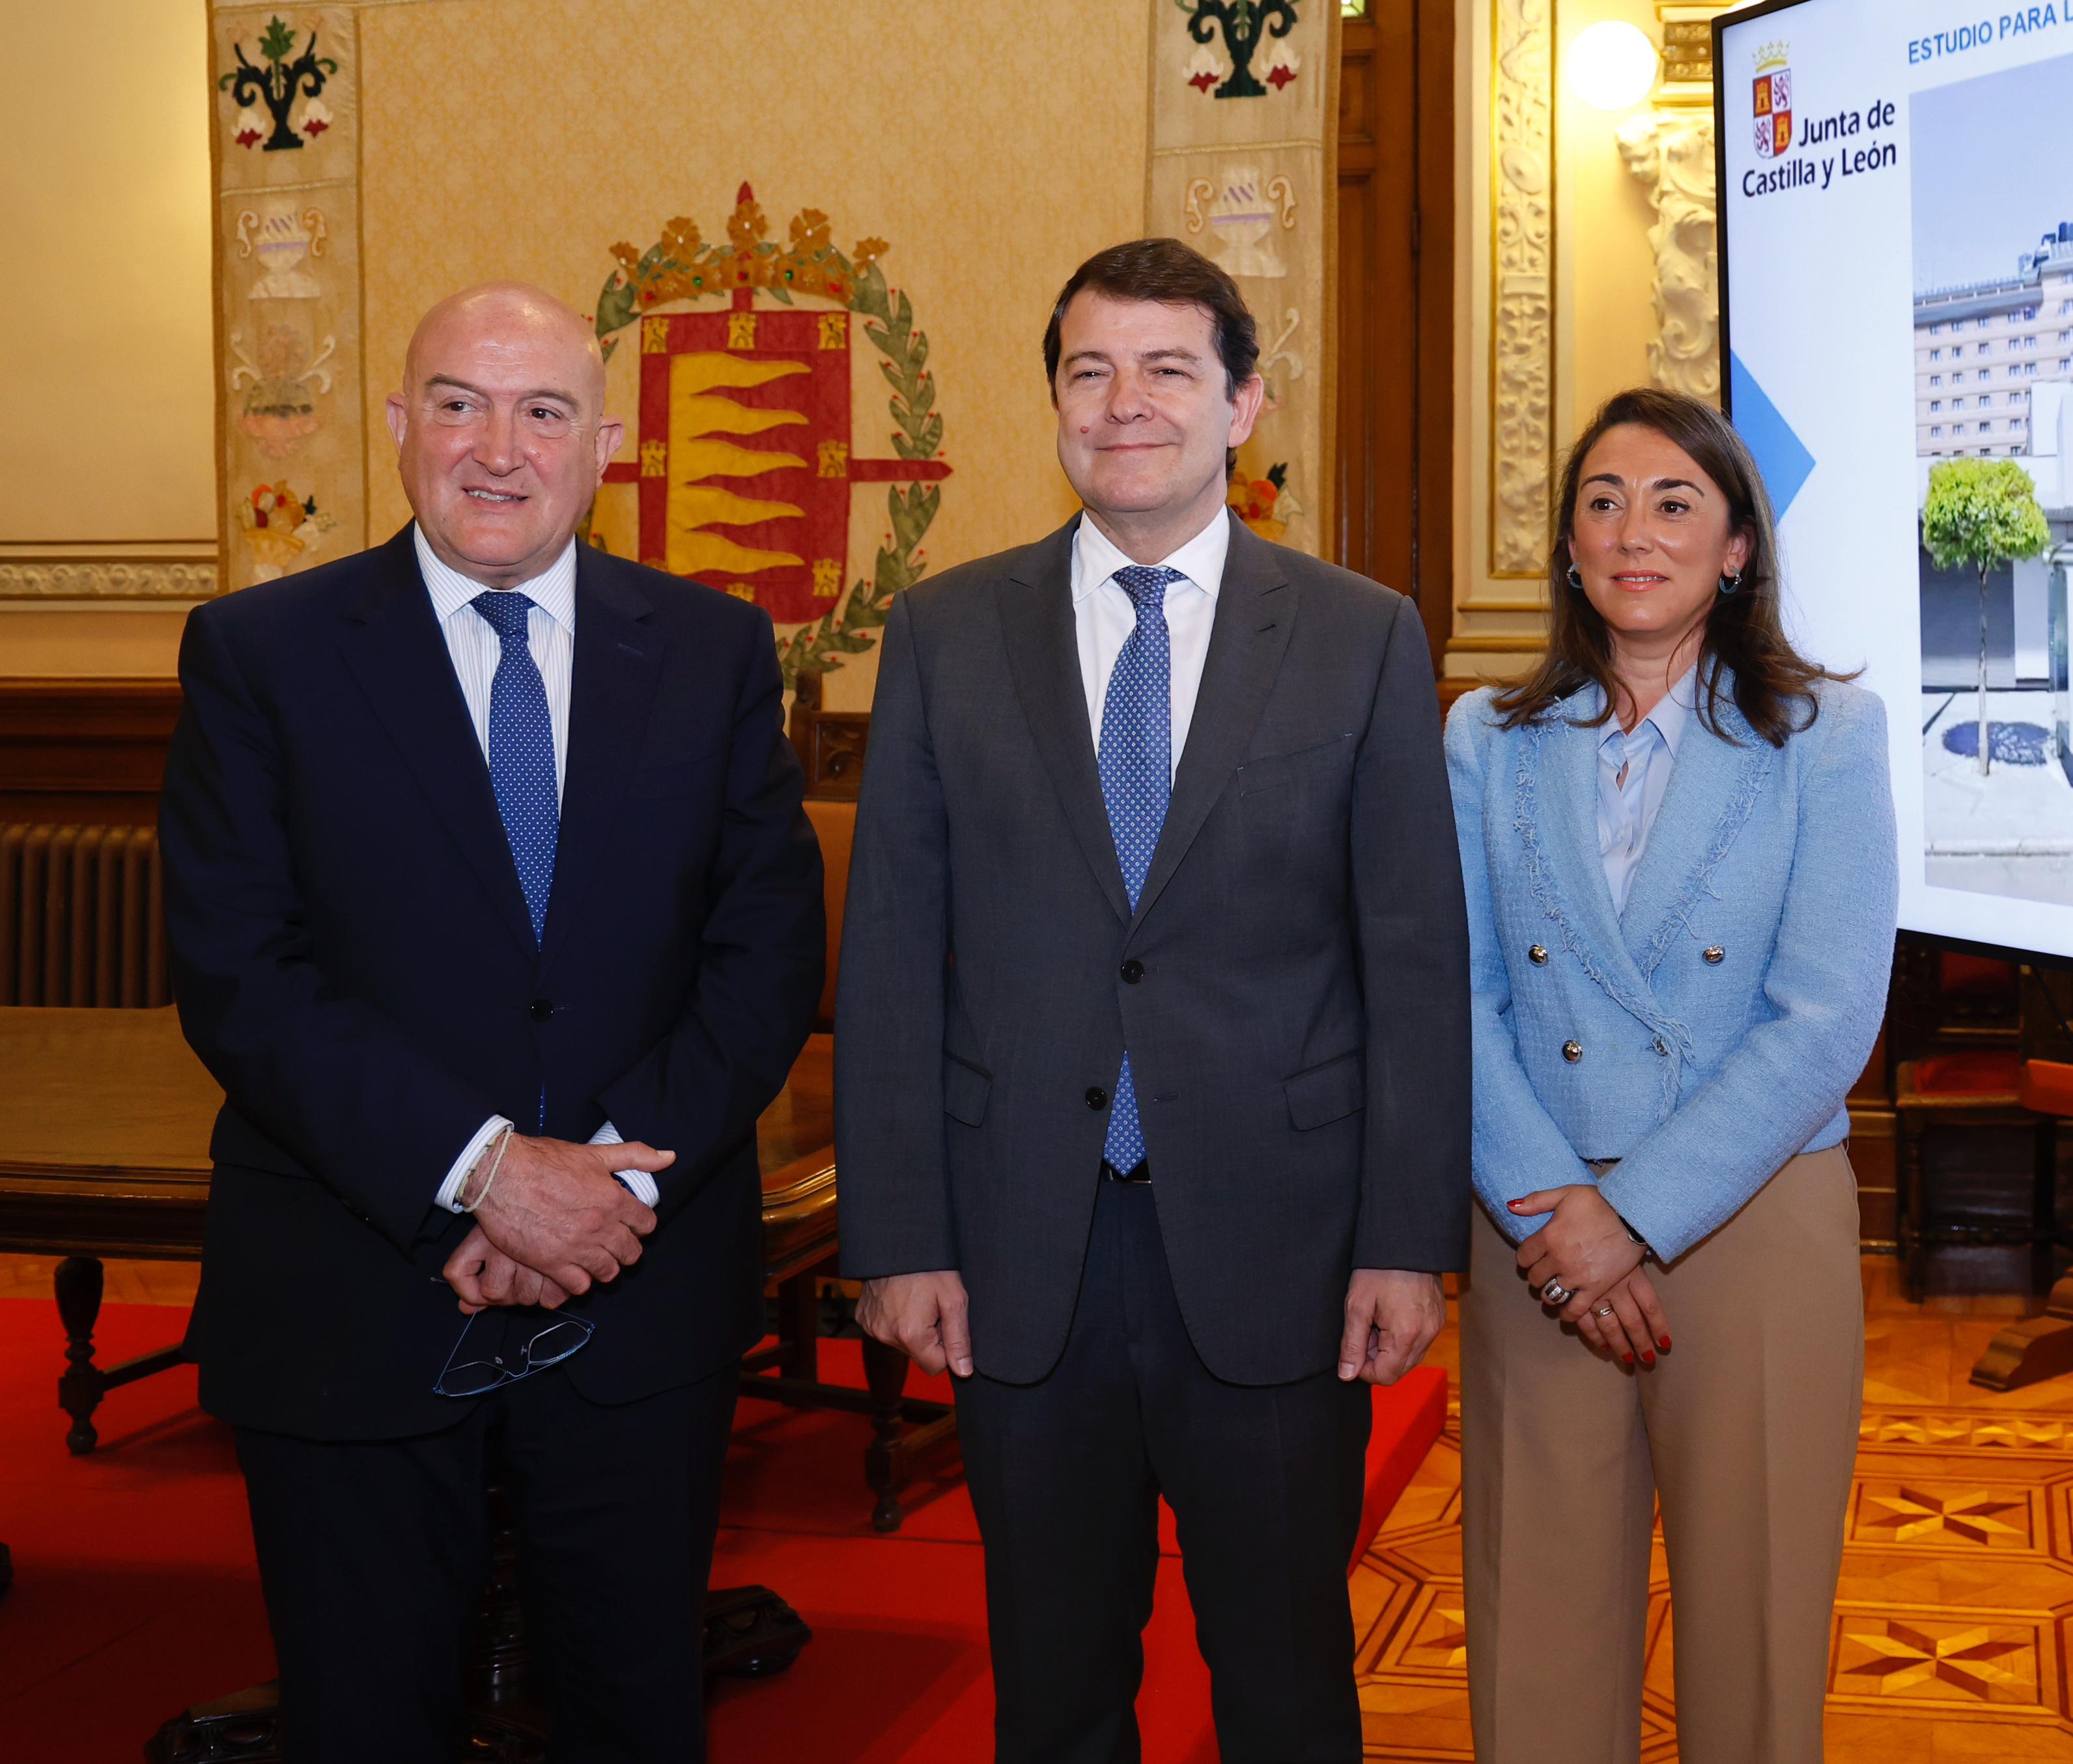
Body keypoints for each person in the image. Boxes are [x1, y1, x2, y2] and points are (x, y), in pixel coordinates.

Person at [159, 282, 826, 1763]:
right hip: (353, 1289)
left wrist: (602, 1185)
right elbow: (239, 970)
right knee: (363, 1717)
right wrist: (483, 1170)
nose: (498, 447)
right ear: (401, 424)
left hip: (637, 1290)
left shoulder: (714, 650)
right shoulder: (261, 652)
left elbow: (766, 951)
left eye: (543, 411)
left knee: (634, 1709)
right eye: (460, 403)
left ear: (607, 445)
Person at [837, 239, 1467, 1763]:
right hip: (1020, 1252)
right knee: (1054, 1688)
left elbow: (1411, 957)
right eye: (1090, 370)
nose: (1125, 403)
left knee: (1285, 1682)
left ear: (1243, 403)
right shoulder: (943, 631)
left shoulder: (1360, 634)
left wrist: (1406, 1238)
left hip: (1279, 1248)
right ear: (1055, 401)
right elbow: (890, 956)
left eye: (1168, 368)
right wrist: (899, 1236)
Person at [1448, 388, 1898, 1764]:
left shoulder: (1826, 733)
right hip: (1534, 1216)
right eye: (1602, 502)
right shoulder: (1484, 737)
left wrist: (1634, 1215)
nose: (1632, 532)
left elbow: (1827, 1016)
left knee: (1757, 1635)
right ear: (1568, 546)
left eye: (1672, 502)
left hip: (1751, 1214)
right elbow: (1452, 996)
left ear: (1737, 547)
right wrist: (1561, 1213)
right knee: (1536, 1633)